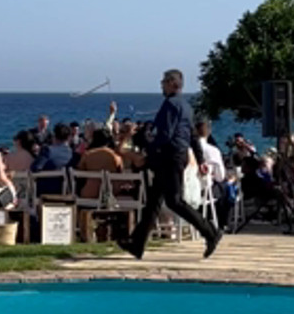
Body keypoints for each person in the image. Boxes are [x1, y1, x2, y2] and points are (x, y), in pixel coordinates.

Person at [119, 69, 222, 259]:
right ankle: (137, 244)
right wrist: (200, 160)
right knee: (153, 202)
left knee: (174, 201)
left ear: (173, 84)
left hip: (170, 157)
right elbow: (192, 136)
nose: (161, 85)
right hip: (175, 157)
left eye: (164, 82)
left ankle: (211, 232)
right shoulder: (186, 106)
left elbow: (164, 135)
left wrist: (146, 152)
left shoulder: (170, 105)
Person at [196, 119, 233, 228]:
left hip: (186, 189)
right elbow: (220, 177)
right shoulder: (213, 151)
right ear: (209, 132)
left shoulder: (186, 149)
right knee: (225, 186)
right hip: (205, 190)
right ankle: (223, 223)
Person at [77, 128, 123, 199]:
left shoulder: (88, 155)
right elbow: (120, 173)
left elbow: (79, 171)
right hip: (112, 193)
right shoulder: (115, 156)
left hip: (90, 192)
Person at [31, 122, 74, 196]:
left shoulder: (47, 150)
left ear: (54, 136)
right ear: (68, 138)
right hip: (65, 192)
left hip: (45, 192)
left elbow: (35, 168)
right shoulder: (71, 153)